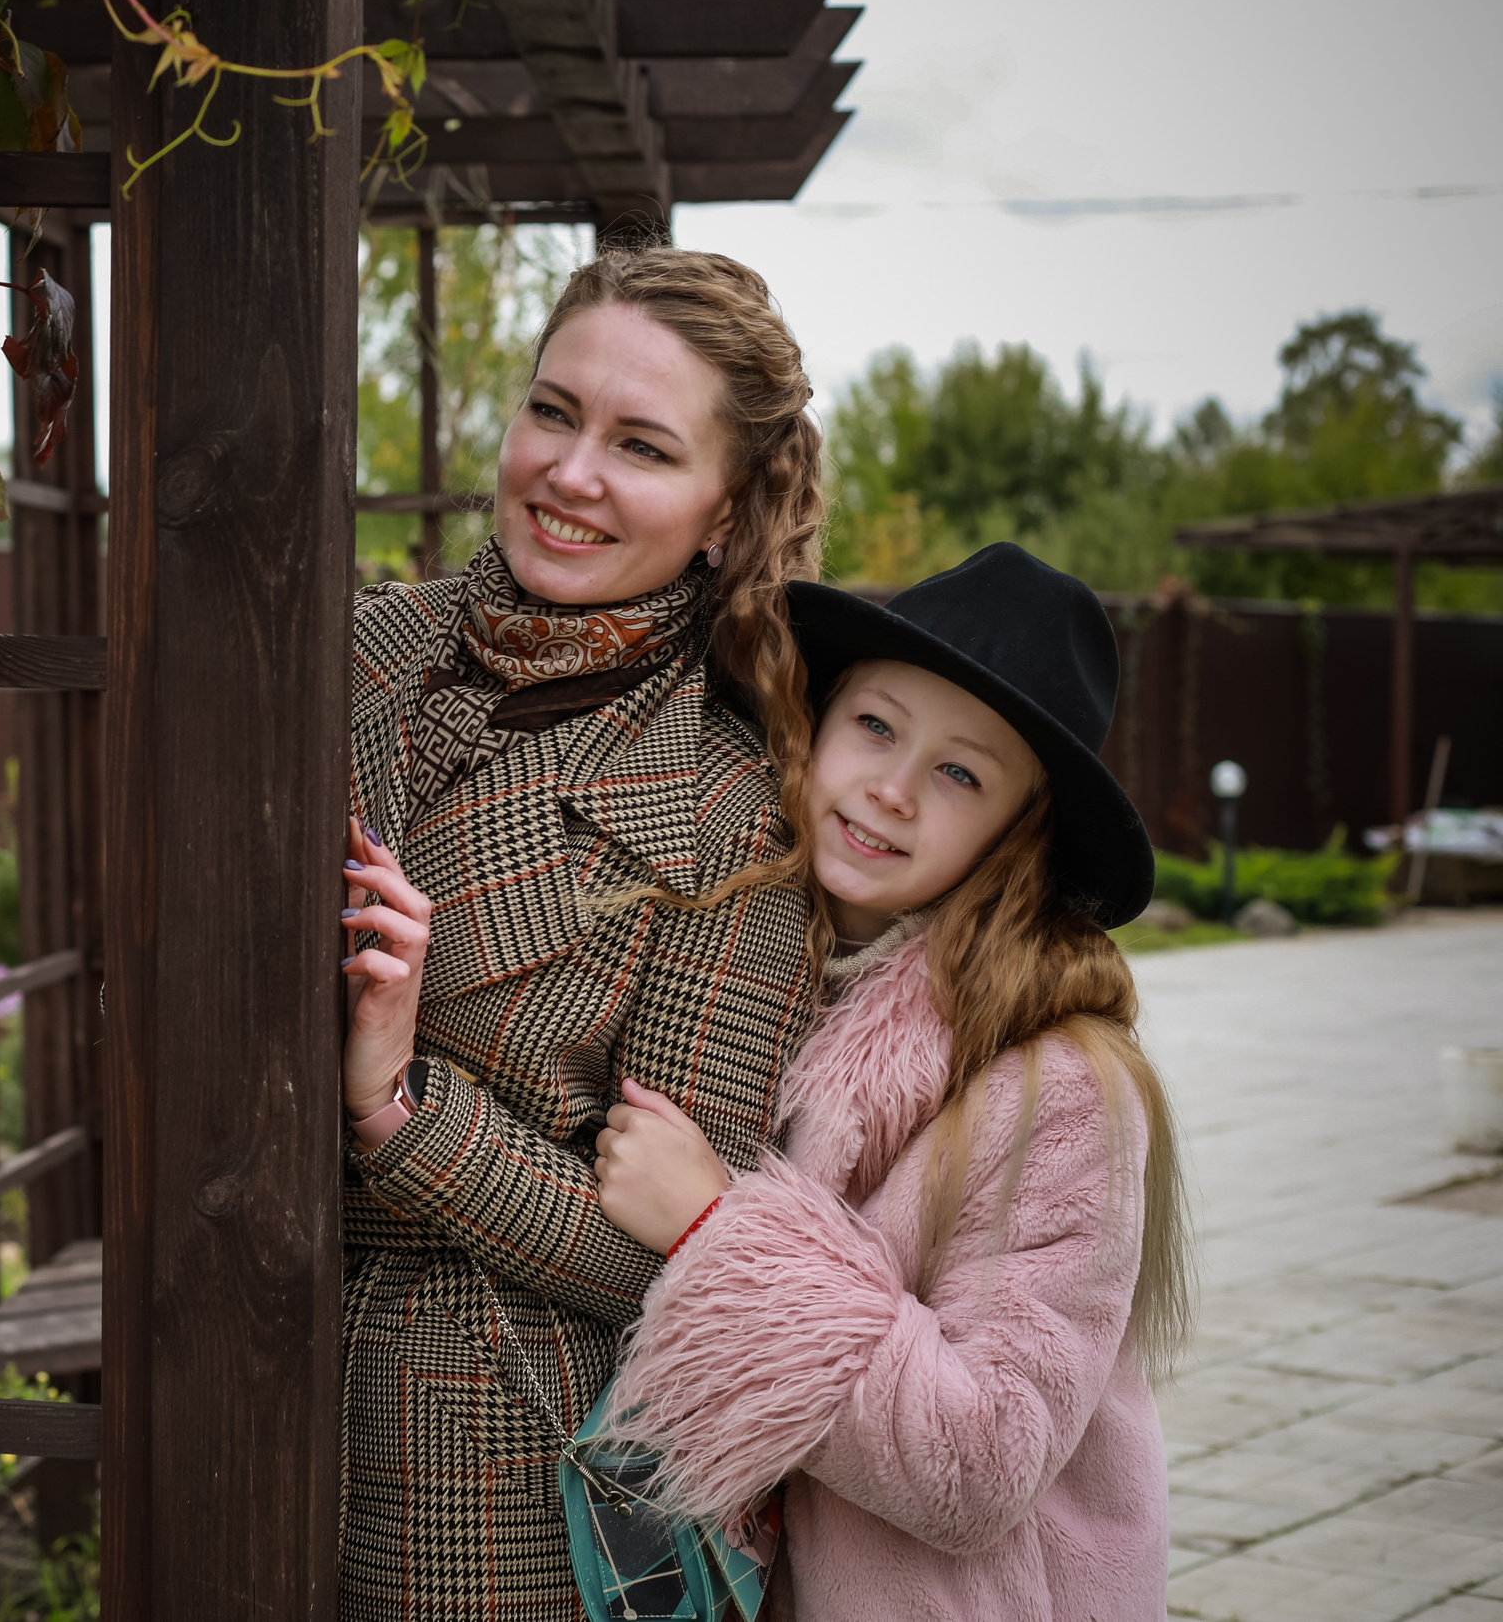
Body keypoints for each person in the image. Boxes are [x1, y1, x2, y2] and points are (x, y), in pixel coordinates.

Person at [333, 244, 829, 1618]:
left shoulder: (731, 811)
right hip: (224, 1352)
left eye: (642, 447)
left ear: (728, 512)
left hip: (480, 1462)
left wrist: (395, 1106)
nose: (569, 472)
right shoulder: (352, 654)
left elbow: (664, 1259)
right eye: (552, 412)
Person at [583, 544, 1190, 1620]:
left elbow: (982, 1459)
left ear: (1021, 836)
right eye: (875, 725)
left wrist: (716, 1233)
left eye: (960, 774)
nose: (892, 789)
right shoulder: (752, 971)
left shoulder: (1060, 1088)